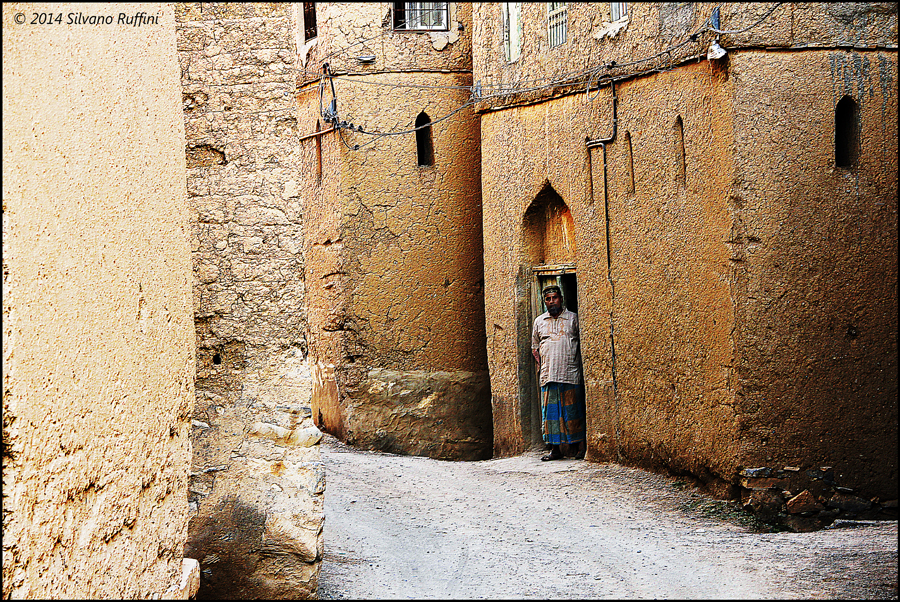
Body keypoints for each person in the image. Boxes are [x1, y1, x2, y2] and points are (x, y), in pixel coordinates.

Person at [531, 284, 586, 461]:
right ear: (544, 301)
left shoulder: (573, 319)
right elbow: (534, 349)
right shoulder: (539, 322)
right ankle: (555, 450)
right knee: (551, 415)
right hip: (548, 375)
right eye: (548, 299)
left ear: (561, 299)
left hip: (570, 373)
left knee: (573, 412)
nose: (551, 301)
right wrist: (543, 366)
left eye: (554, 297)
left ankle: (579, 447)